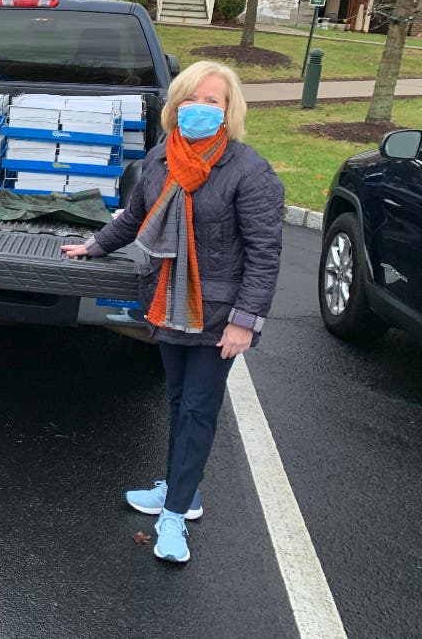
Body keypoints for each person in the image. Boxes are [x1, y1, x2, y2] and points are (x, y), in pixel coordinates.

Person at [61, 60, 283, 563]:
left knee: (198, 412)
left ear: (229, 112)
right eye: (191, 99)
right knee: (181, 402)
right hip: (167, 302)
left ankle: (176, 517)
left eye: (213, 102)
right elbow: (136, 218)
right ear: (174, 106)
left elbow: (266, 252)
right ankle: (182, 491)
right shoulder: (161, 159)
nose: (200, 109)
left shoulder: (249, 171)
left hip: (217, 314)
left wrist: (245, 322)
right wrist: (94, 246)